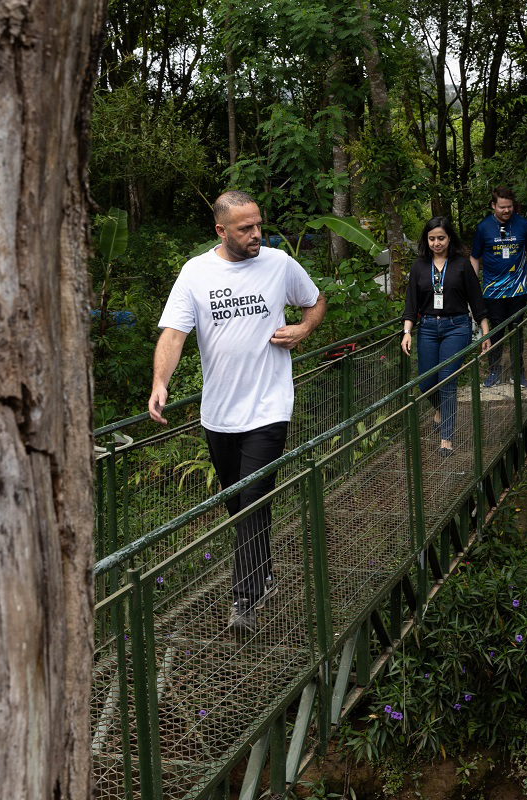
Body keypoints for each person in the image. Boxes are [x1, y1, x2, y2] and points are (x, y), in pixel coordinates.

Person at [148, 190, 326, 632]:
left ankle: (244, 601)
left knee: (250, 500)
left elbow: (316, 301)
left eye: (259, 225)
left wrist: (304, 328)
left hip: (269, 407)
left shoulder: (279, 263)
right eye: (245, 228)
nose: (256, 235)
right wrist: (160, 383)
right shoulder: (195, 273)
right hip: (219, 414)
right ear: (220, 230)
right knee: (240, 504)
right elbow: (174, 333)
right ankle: (263, 575)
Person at [402, 217, 490, 455]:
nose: (436, 243)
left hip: (457, 326)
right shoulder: (419, 266)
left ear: (449, 238)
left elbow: (476, 299)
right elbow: (411, 303)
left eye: (441, 238)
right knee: (426, 382)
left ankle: (446, 439)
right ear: (426, 240)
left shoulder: (461, 264)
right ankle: (441, 410)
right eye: (432, 239)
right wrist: (407, 332)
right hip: (428, 327)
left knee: (447, 380)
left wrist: (485, 331)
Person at [470, 186, 527, 387]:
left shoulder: (522, 224)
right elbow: (474, 258)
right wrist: (473, 288)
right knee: (496, 333)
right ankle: (495, 372)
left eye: (509, 207)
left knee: (516, 331)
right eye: (502, 207)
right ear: (493, 205)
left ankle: (518, 373)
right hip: (492, 291)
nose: (506, 211)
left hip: (518, 290)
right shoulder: (483, 227)